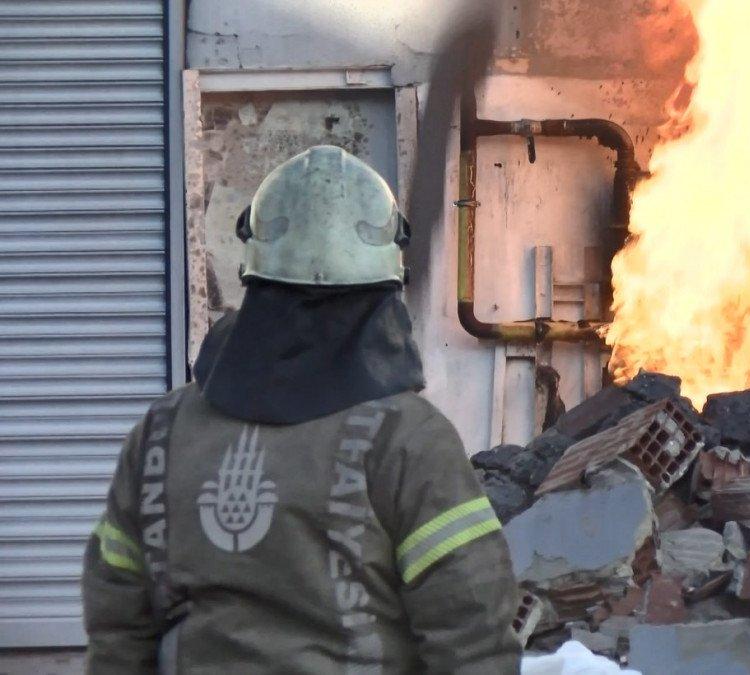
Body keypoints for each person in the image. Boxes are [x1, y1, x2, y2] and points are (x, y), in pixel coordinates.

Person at [81, 145, 522, 674]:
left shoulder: (164, 429)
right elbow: (471, 632)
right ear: (386, 285)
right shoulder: (409, 440)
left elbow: (117, 619)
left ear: (253, 272)